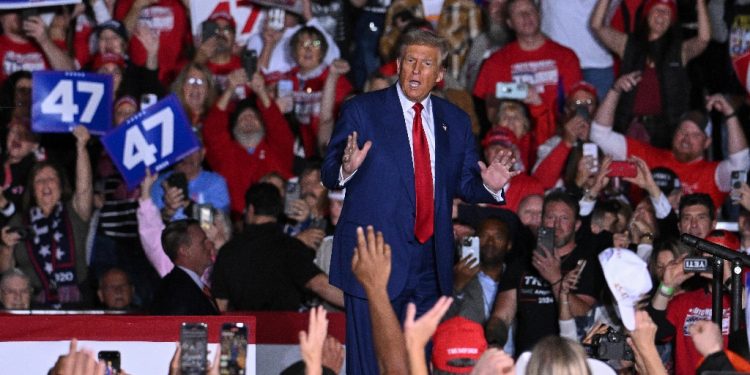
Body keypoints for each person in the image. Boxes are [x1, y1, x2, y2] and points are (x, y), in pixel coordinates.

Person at [321, 29, 517, 374]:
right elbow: (330, 171)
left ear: (440, 75)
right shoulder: (362, 110)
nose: (416, 69)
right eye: (409, 60)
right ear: (398, 65)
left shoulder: (455, 121)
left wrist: (489, 187)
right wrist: (346, 168)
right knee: (370, 365)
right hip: (374, 259)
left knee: (417, 364)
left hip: (431, 265)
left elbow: (466, 184)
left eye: (426, 63)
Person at [589, 72, 750, 211]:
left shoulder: (713, 175)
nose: (686, 138)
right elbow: (599, 136)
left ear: (707, 143)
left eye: (695, 135)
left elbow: (740, 163)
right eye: (682, 131)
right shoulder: (647, 157)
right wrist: (615, 90)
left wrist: (729, 113)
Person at [488, 192, 609, 353]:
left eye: (565, 219)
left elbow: (585, 318)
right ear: (542, 222)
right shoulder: (521, 264)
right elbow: (502, 317)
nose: (557, 225)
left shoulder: (588, 263)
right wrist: (495, 342)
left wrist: (555, 278)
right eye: (551, 218)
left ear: (577, 225)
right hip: (529, 362)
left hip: (569, 361)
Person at [591, 0, 710, 148]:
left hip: (666, 133)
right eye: (656, 9)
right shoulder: (627, 44)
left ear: (672, 21)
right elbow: (597, 25)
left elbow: (704, 39)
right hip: (629, 128)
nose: (661, 14)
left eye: (667, 11)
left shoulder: (680, 51)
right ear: (646, 15)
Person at [210, 182, 344, 311]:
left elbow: (220, 306)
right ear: (278, 210)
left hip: (246, 330)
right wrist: (359, 301)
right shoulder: (291, 247)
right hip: (284, 330)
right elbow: (318, 284)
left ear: (250, 210)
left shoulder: (228, 252)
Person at [0, 126, 92, 309]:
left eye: (51, 178)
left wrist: (82, 146)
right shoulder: (19, 221)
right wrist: (6, 247)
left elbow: (84, 187)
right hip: (35, 303)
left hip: (76, 301)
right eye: (39, 181)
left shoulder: (74, 212)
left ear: (61, 184)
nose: (46, 184)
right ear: (32, 189)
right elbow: (6, 271)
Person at [472, 0, 582, 146]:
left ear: (539, 15)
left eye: (530, 11)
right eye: (519, 13)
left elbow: (576, 105)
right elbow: (492, 113)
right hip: (517, 143)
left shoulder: (566, 56)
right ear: (510, 23)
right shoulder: (496, 61)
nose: (526, 17)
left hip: (559, 139)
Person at [149, 219, 220, 315]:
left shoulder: (183, 286)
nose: (210, 246)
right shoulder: (178, 292)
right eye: (203, 242)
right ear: (184, 251)